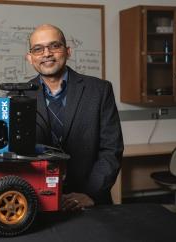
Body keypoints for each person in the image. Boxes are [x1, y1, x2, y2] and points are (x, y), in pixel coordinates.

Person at [24, 24, 124, 211]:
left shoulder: (99, 90)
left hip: (89, 202)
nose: (47, 54)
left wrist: (91, 194)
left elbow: (111, 149)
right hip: (35, 201)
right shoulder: (18, 96)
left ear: (67, 51)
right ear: (30, 58)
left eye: (54, 46)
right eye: (38, 49)